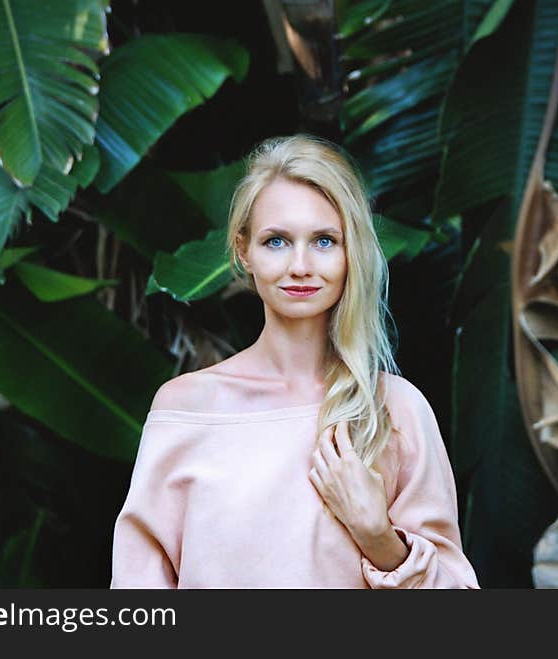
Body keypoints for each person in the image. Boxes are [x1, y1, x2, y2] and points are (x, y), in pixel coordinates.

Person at [110, 134, 479, 588]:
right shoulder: (186, 408)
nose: (301, 265)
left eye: (324, 241)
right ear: (243, 251)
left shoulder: (396, 410)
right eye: (277, 241)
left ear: (351, 253)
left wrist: (379, 537)